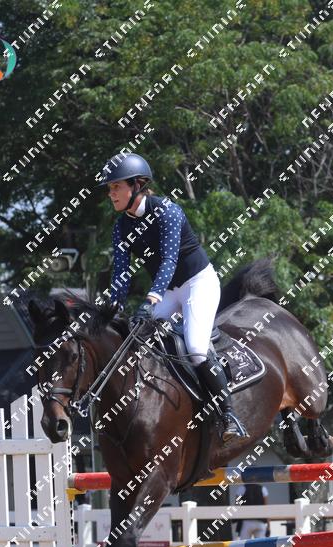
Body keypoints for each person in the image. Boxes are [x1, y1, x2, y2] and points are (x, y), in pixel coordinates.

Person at [98, 152, 249, 445]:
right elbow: (121, 274)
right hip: (168, 291)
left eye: (116, 186)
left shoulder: (167, 211)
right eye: (109, 188)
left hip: (198, 284)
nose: (111, 193)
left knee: (196, 349)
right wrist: (112, 308)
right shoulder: (121, 227)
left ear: (137, 185)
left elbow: (169, 260)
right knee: (137, 341)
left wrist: (150, 300)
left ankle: (229, 414)